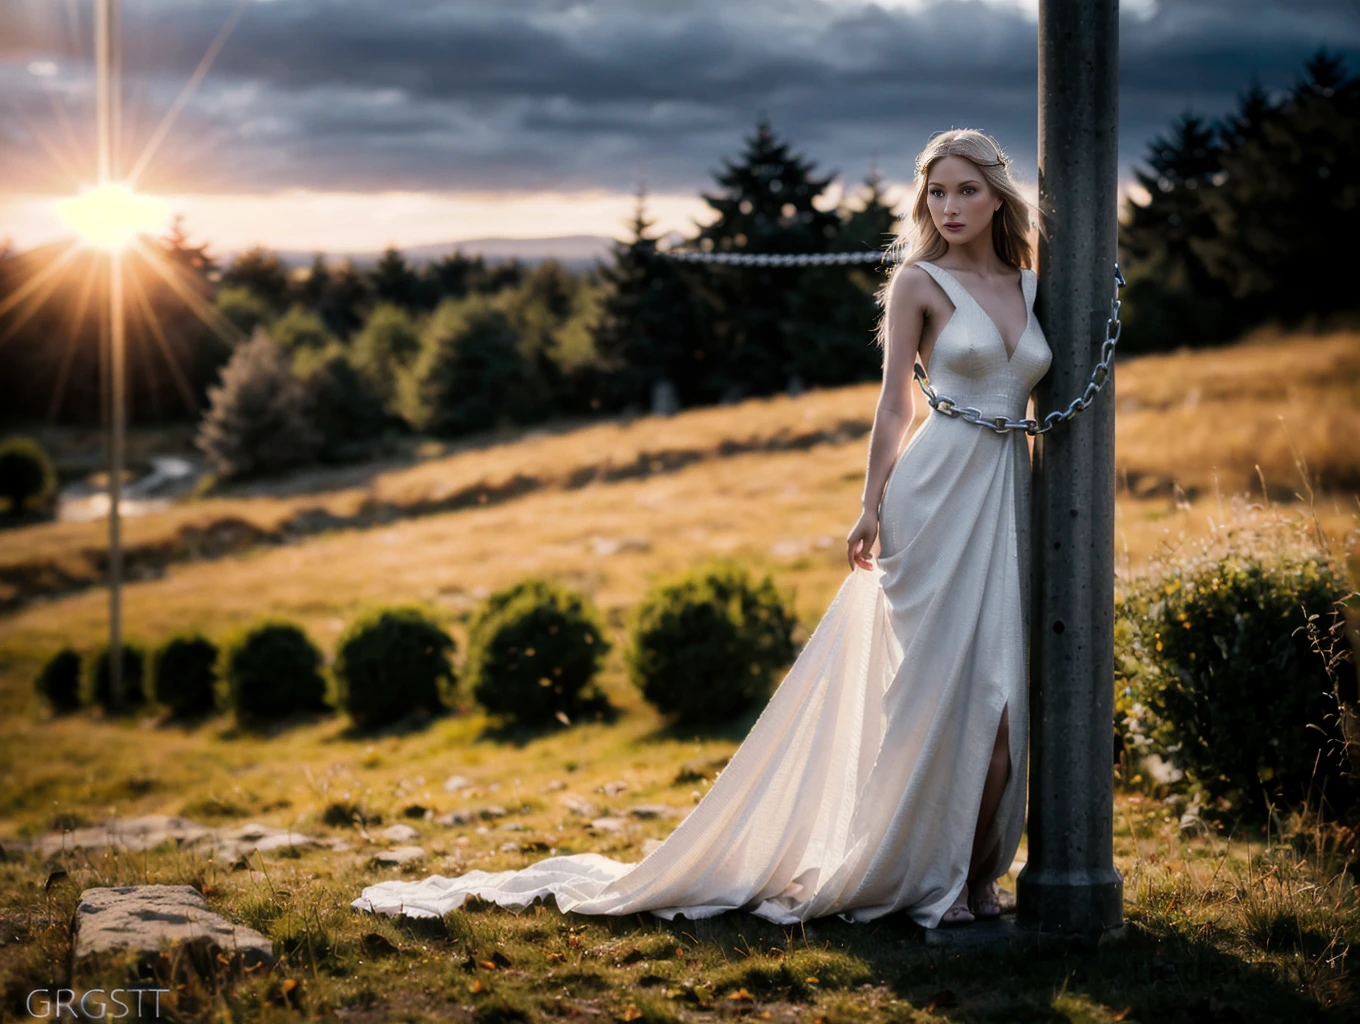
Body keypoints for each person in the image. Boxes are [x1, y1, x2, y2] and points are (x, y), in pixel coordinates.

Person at [352, 128, 1051, 930]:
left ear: (999, 194)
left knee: (1000, 708)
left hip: (1005, 501)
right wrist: (869, 502)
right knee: (930, 699)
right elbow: (896, 402)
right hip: (932, 500)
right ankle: (937, 879)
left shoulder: (1034, 288)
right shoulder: (917, 284)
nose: (949, 206)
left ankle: (972, 872)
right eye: (936, 191)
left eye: (965, 189)